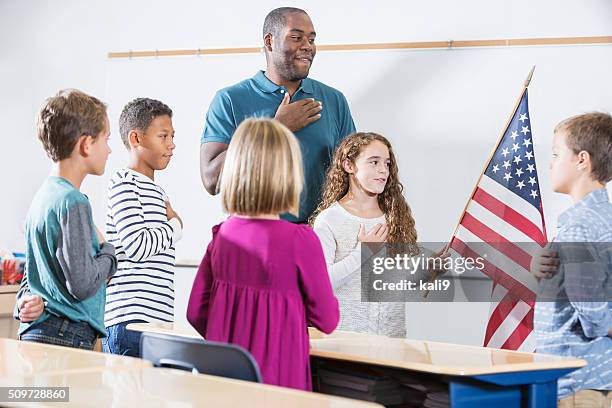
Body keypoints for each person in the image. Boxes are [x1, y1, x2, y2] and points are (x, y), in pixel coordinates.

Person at [187, 118, 339, 390]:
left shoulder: (221, 237)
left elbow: (195, 312)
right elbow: (327, 320)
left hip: (224, 386)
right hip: (278, 384)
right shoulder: (300, 240)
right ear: (289, 173)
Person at [200, 7, 355, 223]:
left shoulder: (333, 100)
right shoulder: (229, 100)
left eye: (311, 40)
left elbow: (353, 176)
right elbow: (211, 180)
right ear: (269, 41)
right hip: (256, 240)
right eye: (296, 37)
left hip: (321, 238)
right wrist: (275, 128)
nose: (307, 46)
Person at [15, 89, 117, 349]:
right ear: (86, 144)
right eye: (105, 139)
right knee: (71, 393)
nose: (109, 150)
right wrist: (109, 254)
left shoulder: (43, 197)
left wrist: (24, 303)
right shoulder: (74, 202)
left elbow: (32, 278)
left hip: (38, 332)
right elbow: (82, 285)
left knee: (36, 393)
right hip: (65, 336)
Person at [530, 112, 612, 407]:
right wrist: (545, 274)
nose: (550, 163)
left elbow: (594, 314)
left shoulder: (580, 225)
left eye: (556, 154)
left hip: (578, 382)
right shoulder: (599, 219)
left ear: (582, 160)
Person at [311, 132, 424, 337]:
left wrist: (425, 273)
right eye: (374, 162)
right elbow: (321, 283)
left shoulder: (394, 217)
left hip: (393, 340)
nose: (383, 170)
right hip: (344, 341)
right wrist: (364, 252)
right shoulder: (330, 220)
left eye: (387, 163)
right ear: (349, 165)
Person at [103, 98, 183, 357]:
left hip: (156, 322)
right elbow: (137, 246)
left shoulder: (157, 191)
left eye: (172, 136)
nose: (171, 144)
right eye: (163, 136)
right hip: (130, 321)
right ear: (136, 138)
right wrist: (175, 227)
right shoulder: (125, 183)